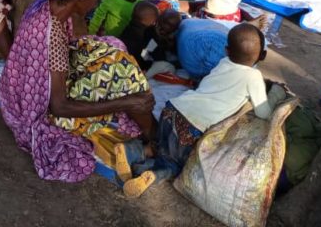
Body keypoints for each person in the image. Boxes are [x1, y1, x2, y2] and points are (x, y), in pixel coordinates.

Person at [0, 0, 156, 182]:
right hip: (43, 112)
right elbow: (59, 106)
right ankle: (152, 136)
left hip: (19, 93)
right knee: (126, 77)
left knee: (113, 46)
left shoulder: (49, 3)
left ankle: (142, 118)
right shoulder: (53, 39)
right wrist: (127, 103)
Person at [119, 23, 285, 198]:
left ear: (227, 50)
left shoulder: (223, 62)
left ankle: (132, 150)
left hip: (173, 109)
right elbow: (263, 113)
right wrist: (275, 94)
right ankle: (152, 175)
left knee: (161, 145)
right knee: (176, 163)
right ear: (264, 55)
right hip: (193, 126)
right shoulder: (254, 77)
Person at [120, 1, 160, 67]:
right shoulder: (145, 37)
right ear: (153, 22)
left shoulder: (128, 27)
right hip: (133, 65)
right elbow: (143, 57)